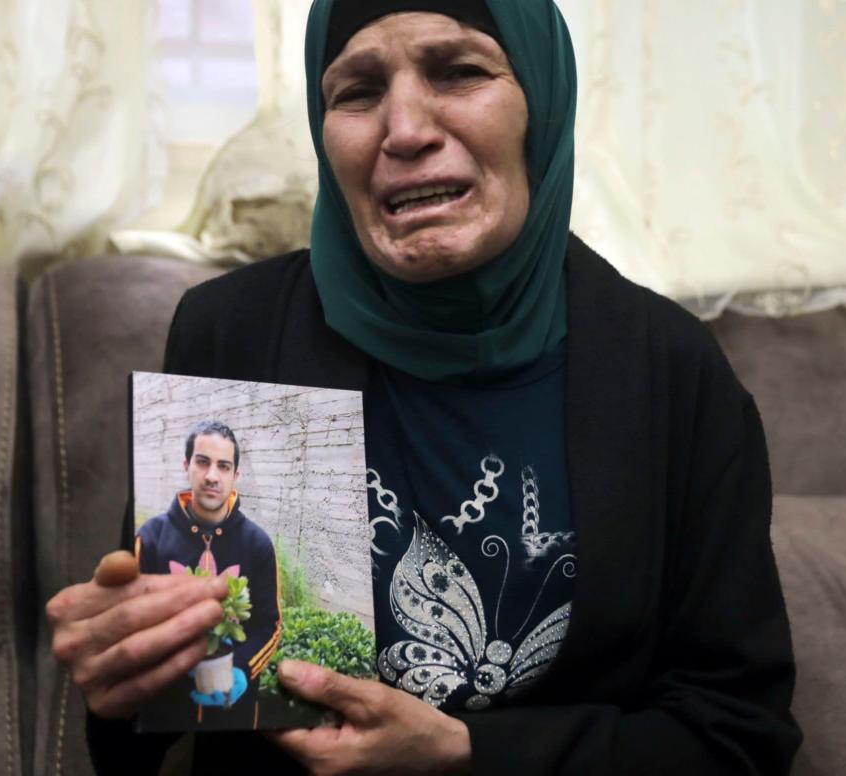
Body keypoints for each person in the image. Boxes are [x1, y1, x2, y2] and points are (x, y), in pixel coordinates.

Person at [47, 0, 803, 773]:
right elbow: (163, 719)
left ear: (541, 104)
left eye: (460, 71)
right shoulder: (234, 334)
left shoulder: (670, 368)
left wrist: (465, 754)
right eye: (357, 91)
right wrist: (128, 680)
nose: (405, 129)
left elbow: (734, 733)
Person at [132, 420, 281, 728]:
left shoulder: (258, 544)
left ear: (236, 476)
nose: (212, 476)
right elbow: (130, 619)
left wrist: (242, 669)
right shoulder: (149, 538)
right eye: (203, 462)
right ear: (187, 466)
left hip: (233, 713)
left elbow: (270, 625)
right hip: (162, 710)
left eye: (223, 466)